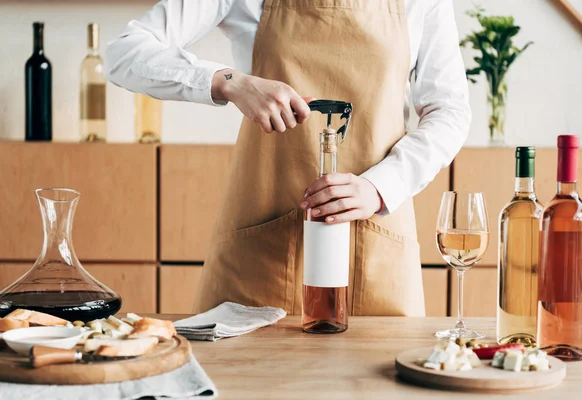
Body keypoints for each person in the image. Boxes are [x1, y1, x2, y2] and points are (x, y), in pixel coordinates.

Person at [106, 0, 471, 316]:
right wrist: (229, 81)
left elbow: (449, 110)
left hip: (376, 250)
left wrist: (381, 186)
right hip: (260, 253)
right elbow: (124, 53)